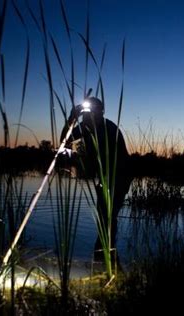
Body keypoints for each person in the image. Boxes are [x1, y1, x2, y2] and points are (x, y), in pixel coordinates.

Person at [60, 96, 132, 264]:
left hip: (119, 175)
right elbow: (65, 144)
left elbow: (107, 157)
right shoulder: (82, 127)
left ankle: (106, 255)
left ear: (102, 112)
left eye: (94, 110)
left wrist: (82, 158)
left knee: (108, 215)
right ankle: (104, 256)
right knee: (104, 216)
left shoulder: (109, 128)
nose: (89, 114)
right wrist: (71, 118)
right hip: (104, 177)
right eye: (86, 111)